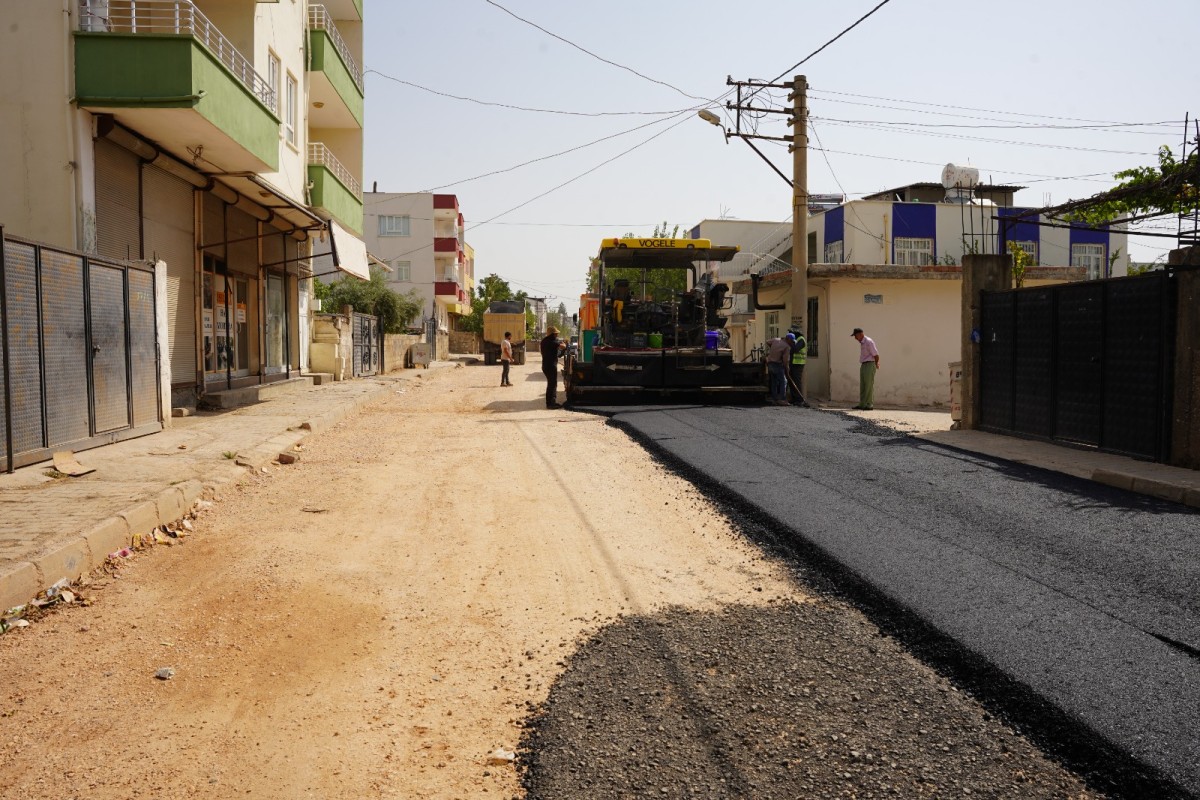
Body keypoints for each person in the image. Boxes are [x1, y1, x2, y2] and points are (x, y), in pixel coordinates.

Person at [852, 327, 880, 410]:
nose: (855, 338)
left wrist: (876, 364)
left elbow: (876, 354)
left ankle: (869, 404)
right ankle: (862, 404)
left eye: (856, 336)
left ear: (860, 334)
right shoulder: (863, 342)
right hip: (864, 364)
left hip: (870, 364)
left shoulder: (868, 341)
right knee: (863, 385)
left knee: (868, 385)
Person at [540, 325, 567, 408]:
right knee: (552, 384)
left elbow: (558, 354)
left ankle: (550, 402)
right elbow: (563, 346)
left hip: (545, 365)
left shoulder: (544, 341)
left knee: (551, 384)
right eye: (556, 334)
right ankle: (551, 403)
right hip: (551, 366)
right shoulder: (552, 341)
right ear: (552, 334)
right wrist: (565, 344)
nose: (557, 335)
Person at [764, 333, 791, 406]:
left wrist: (772, 348)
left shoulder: (775, 340)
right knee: (783, 382)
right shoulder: (787, 346)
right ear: (788, 339)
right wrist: (787, 370)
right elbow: (786, 361)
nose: (792, 343)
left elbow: (767, 341)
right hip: (777, 365)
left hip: (770, 364)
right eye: (791, 341)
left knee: (774, 382)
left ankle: (774, 398)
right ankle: (782, 399)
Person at [787, 330, 810, 407]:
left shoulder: (801, 339)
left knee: (797, 382)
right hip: (793, 363)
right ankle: (794, 398)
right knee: (791, 381)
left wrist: (791, 342)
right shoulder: (797, 340)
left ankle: (799, 399)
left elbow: (795, 349)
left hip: (798, 364)